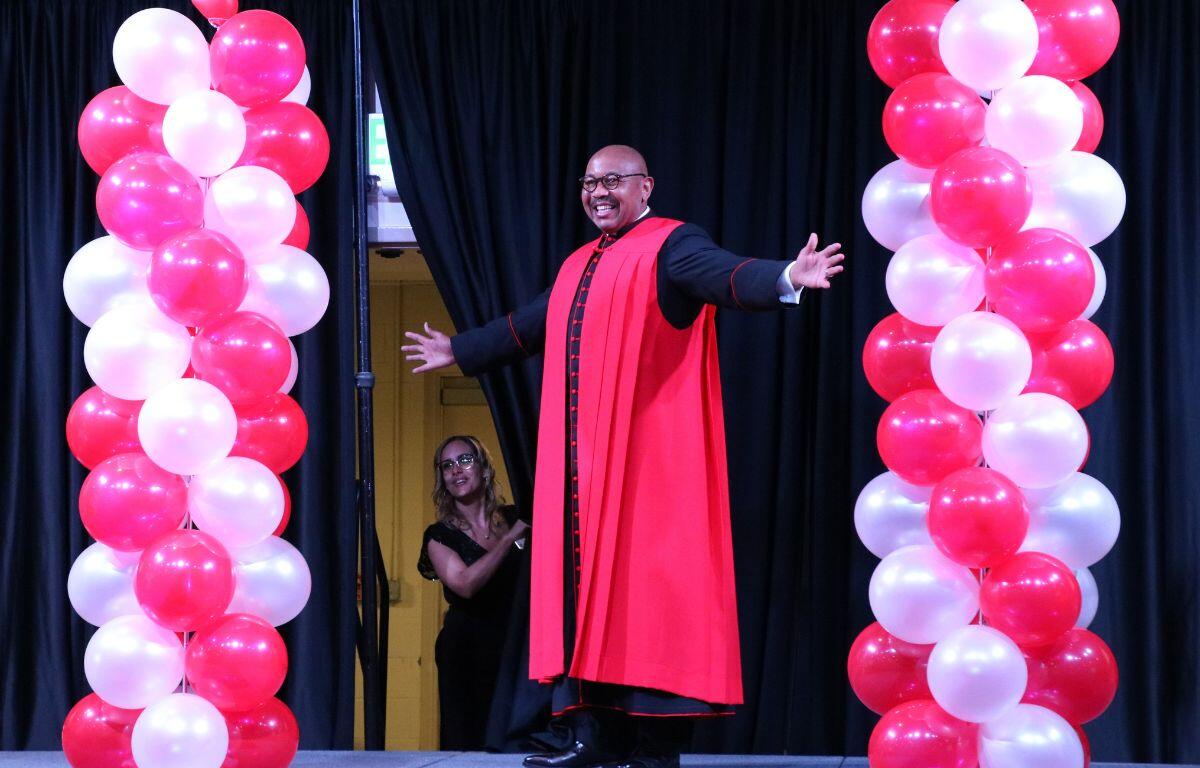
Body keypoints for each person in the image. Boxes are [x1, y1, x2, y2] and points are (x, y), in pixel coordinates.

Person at [403, 145, 844, 768]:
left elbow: (723, 274)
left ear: (646, 187)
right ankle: (591, 737)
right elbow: (530, 324)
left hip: (645, 468)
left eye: (613, 179)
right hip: (580, 472)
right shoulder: (578, 262)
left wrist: (785, 277)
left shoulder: (671, 243)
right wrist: (461, 349)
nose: (598, 191)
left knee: (646, 598)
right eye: (589, 181)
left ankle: (653, 746)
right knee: (579, 596)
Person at [418, 434, 530, 750]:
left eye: (465, 460)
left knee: (514, 738)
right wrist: (510, 541)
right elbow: (465, 585)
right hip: (466, 650)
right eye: (447, 465)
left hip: (514, 647)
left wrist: (516, 535)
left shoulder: (513, 519)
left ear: (483, 468)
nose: (456, 470)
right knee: (468, 739)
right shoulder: (440, 536)